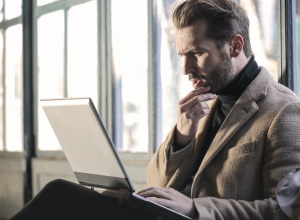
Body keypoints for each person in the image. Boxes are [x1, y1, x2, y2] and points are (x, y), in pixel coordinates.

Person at [9, 0, 300, 219]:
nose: (186, 69)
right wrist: (182, 137)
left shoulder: (284, 111)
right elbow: (156, 185)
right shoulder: (204, 104)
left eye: (196, 54)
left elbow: (285, 210)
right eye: (182, 56)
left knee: (61, 196)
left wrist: (196, 208)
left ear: (235, 46)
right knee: (62, 194)